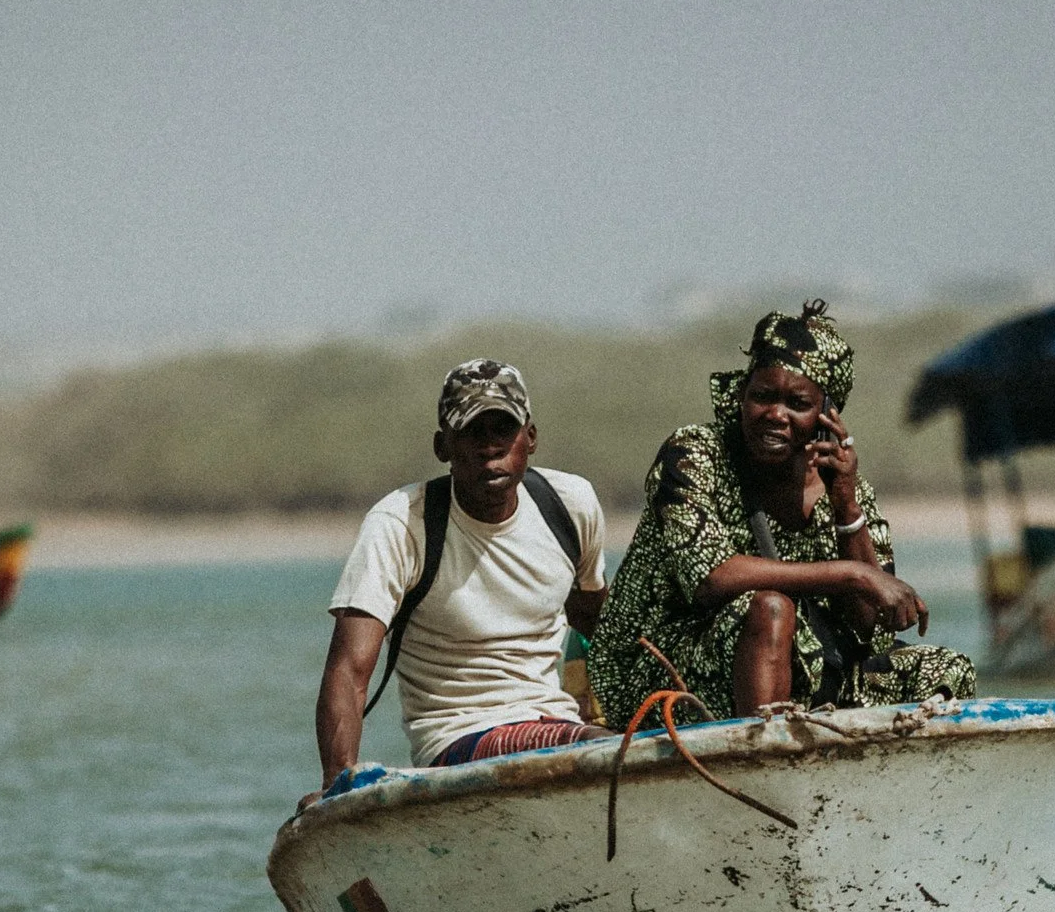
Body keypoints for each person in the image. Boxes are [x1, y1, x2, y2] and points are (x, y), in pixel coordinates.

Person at [587, 301, 975, 726]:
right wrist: (853, 573)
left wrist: (846, 504)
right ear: (741, 396)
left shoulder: (845, 484)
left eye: (797, 403)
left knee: (946, 669)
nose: (775, 414)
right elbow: (712, 577)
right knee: (769, 609)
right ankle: (761, 764)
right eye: (763, 396)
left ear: (827, 417)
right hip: (663, 673)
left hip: (800, 664)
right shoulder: (695, 454)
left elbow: (872, 628)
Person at [310, 359, 610, 805]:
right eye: (471, 432)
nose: (489, 447)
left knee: (636, 743)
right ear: (442, 446)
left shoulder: (569, 505)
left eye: (502, 429)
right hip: (457, 739)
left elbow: (597, 629)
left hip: (561, 724)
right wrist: (336, 787)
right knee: (605, 751)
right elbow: (349, 671)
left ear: (530, 437)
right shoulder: (401, 524)